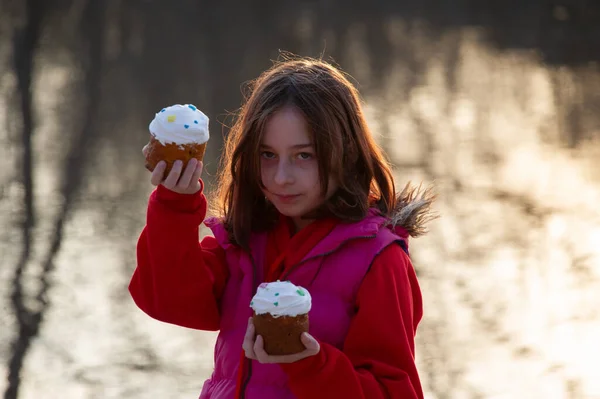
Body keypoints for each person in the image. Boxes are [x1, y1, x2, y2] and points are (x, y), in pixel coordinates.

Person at [129, 55, 436, 399]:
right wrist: (175, 204)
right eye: (267, 155)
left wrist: (312, 364)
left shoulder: (379, 261)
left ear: (346, 153)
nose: (281, 178)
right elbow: (169, 302)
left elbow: (395, 392)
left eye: (304, 155)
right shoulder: (247, 238)